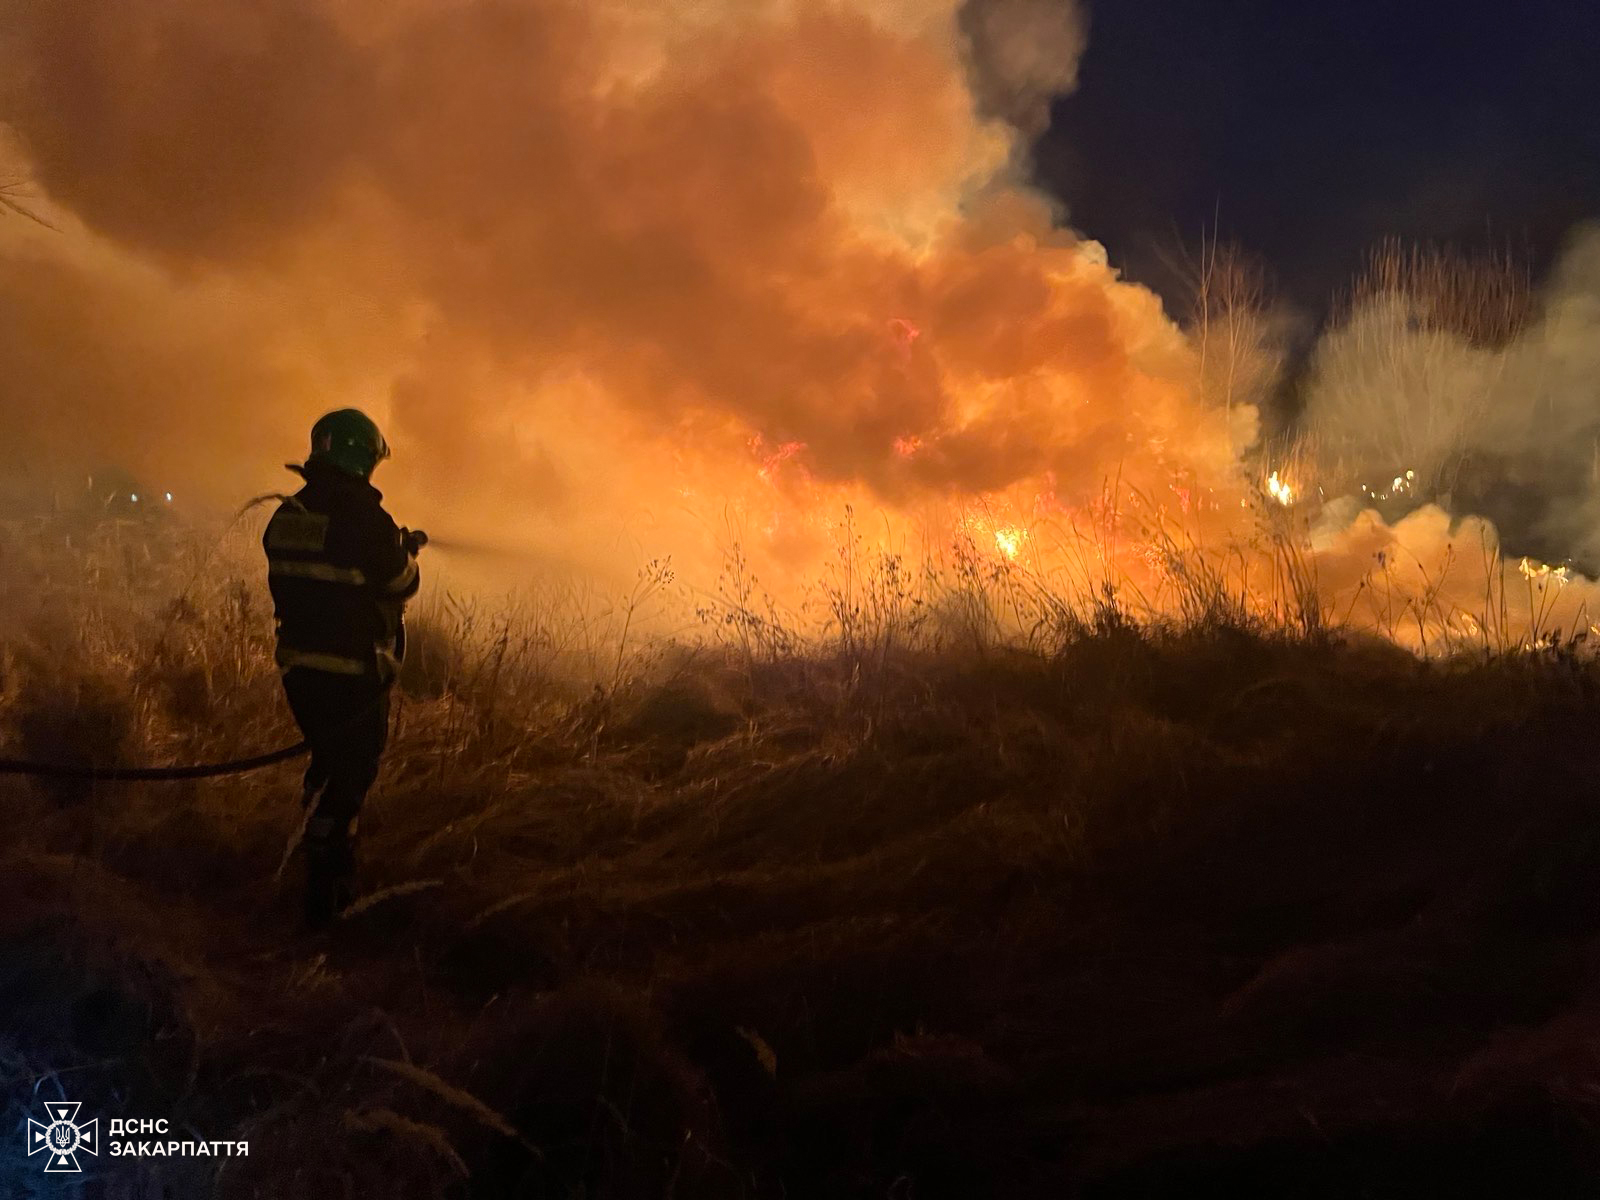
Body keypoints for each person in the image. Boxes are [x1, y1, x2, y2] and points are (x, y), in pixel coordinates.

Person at [263, 409, 424, 927]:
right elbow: (400, 584)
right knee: (352, 775)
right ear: (364, 459)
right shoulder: (364, 518)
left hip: (300, 673)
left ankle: (318, 846)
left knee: (328, 767)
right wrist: (404, 551)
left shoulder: (287, 515)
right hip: (352, 675)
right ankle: (327, 895)